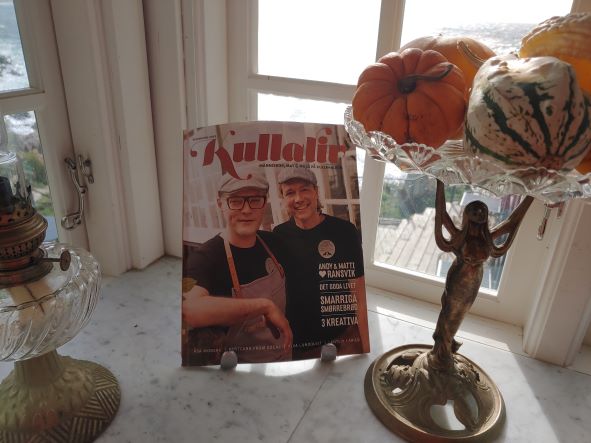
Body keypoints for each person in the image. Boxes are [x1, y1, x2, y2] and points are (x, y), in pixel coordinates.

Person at [182, 169, 292, 365]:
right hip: (241, 372)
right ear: (220, 204)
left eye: (255, 200)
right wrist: (264, 306)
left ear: (264, 203)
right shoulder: (206, 257)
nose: (247, 210)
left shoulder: (274, 244)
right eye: (235, 200)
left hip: (286, 358)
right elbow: (189, 310)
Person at [273, 166, 369, 359]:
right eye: (290, 192)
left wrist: (366, 348)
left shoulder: (345, 232)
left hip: (345, 340)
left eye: (305, 189)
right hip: (301, 347)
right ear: (283, 199)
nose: (298, 198)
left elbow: (359, 296)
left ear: (316, 191)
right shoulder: (278, 236)